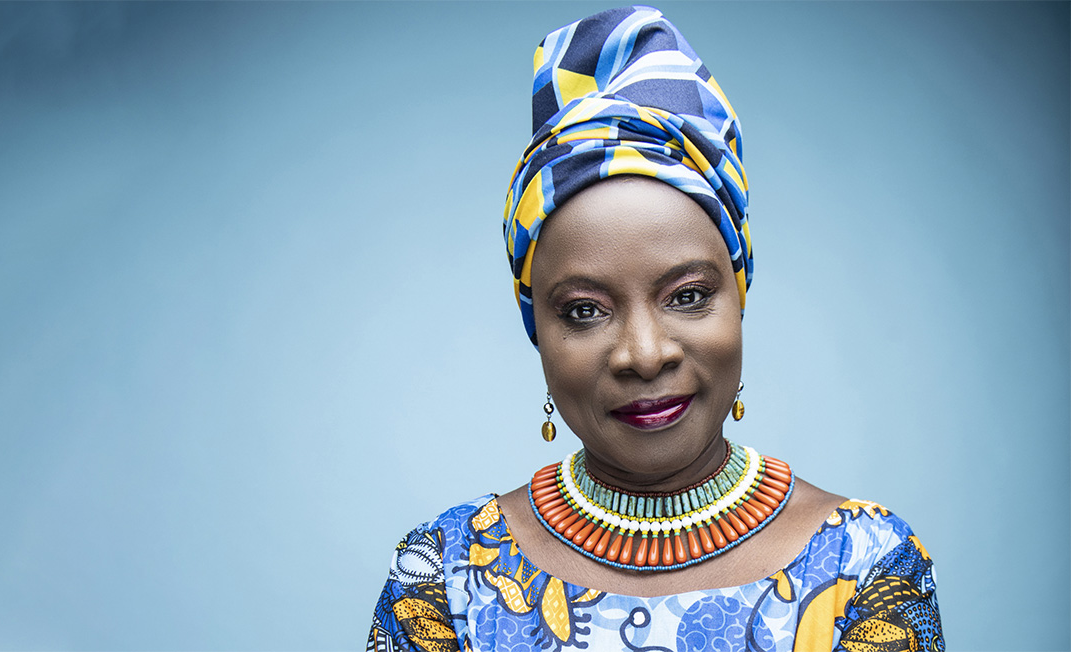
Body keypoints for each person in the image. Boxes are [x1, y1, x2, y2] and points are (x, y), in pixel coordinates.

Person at [367, 7, 943, 651]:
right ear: (537, 330)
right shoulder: (446, 575)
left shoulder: (867, 567)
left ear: (739, 297)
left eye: (689, 296)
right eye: (585, 310)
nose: (643, 355)